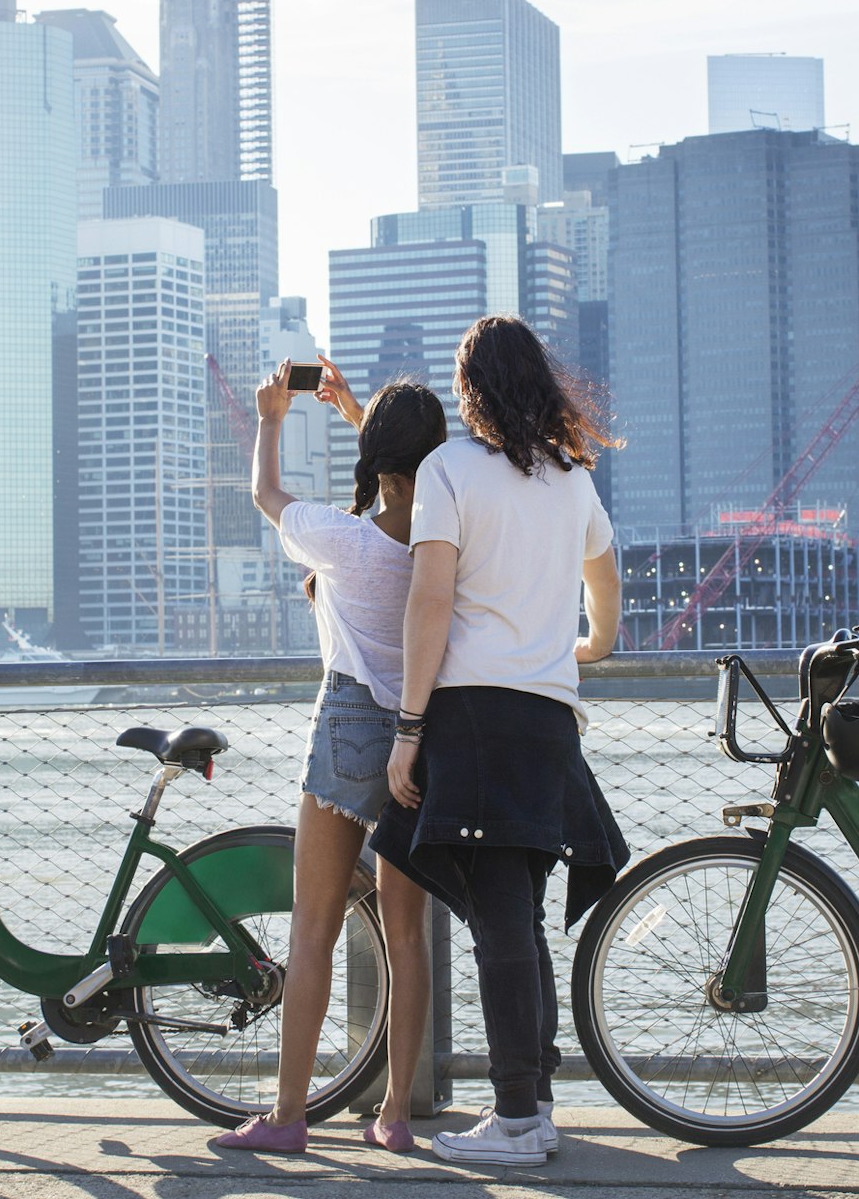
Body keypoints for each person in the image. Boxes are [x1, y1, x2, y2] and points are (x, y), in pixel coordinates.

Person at [370, 316, 628, 1168]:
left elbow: (430, 601)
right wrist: (587, 646)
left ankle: (517, 1118)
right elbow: (606, 579)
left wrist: (408, 730)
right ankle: (535, 1104)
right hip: (548, 719)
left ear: (472, 390)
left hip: (473, 717)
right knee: (513, 915)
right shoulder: (572, 479)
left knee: (501, 926)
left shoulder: (449, 472)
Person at [214, 357, 446, 1155]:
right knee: (408, 935)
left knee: (312, 924)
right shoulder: (446, 545)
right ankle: (397, 1118)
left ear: (377, 465)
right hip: (422, 735)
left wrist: (274, 417)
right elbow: (415, 481)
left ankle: (286, 1117)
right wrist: (361, 413)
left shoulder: (343, 542)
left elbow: (265, 494)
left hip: (349, 723)